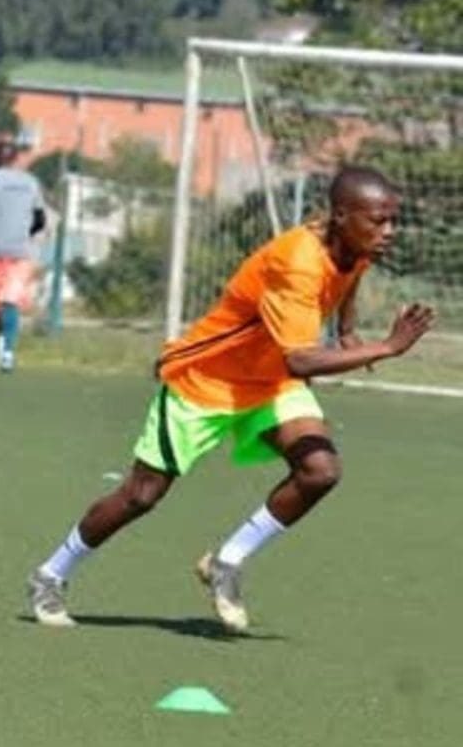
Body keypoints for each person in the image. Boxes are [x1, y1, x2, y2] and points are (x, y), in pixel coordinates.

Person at [25, 166, 434, 633]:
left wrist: (346, 329)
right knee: (141, 495)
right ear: (341, 216)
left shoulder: (355, 247)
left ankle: (227, 560)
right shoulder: (298, 262)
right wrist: (386, 347)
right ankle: (49, 575)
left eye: (392, 220)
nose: (389, 231)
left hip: (270, 383)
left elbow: (347, 279)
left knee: (320, 471)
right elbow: (301, 360)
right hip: (206, 381)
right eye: (378, 221)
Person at [0, 138, 45, 372]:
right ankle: (7, 354)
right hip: (20, 251)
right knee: (10, 302)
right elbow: (40, 220)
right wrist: (24, 232)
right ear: (15, 158)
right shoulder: (31, 182)